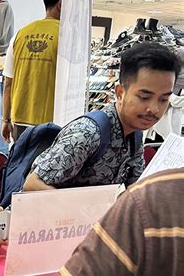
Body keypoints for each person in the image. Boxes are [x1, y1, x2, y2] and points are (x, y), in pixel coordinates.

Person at [15, 168, 184, 276]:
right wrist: (77, 210)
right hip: (51, 228)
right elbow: (31, 183)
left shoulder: (152, 202)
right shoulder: (85, 138)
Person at [24, 42, 181, 191]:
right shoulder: (88, 133)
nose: (154, 109)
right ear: (120, 93)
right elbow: (32, 185)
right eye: (144, 97)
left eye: (164, 99)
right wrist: (85, 210)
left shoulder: (135, 134)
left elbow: (134, 189)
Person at [2, 0, 63, 142]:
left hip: (19, 120)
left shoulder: (19, 35)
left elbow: (8, 83)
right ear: (61, 4)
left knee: (22, 166)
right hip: (52, 122)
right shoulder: (66, 37)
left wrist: (5, 120)